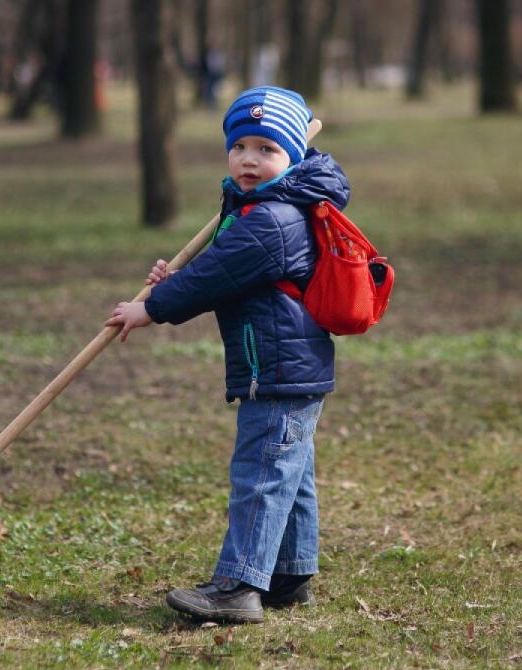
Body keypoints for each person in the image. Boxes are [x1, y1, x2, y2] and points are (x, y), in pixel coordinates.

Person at [104, 86, 349, 624]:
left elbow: (217, 276)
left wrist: (154, 306)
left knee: (262, 476)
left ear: (293, 157)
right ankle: (288, 572)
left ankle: (238, 586)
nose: (249, 159)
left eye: (267, 149)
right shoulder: (266, 208)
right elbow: (221, 271)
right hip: (288, 369)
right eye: (240, 147)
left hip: (279, 370)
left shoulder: (273, 220)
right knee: (290, 473)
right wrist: (174, 280)